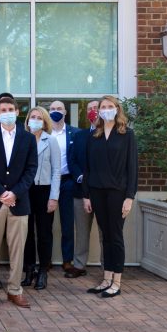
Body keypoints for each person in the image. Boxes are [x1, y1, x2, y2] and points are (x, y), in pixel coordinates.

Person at [0, 96, 37, 309]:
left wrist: (15, 193)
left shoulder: (28, 138)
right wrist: (2, 192)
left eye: (11, 109)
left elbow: (31, 169)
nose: (7, 112)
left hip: (19, 202)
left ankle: (15, 290)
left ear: (17, 112)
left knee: (17, 249)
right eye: (3, 110)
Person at [83, 96, 138, 298]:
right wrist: (86, 195)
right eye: (103, 107)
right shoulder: (94, 135)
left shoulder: (127, 134)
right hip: (97, 191)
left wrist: (129, 197)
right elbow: (87, 167)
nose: (106, 109)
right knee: (105, 236)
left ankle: (117, 282)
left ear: (117, 109)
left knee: (115, 236)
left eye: (110, 106)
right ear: (98, 111)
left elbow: (132, 168)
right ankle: (106, 279)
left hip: (118, 192)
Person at [21, 107, 61, 290]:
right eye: (32, 117)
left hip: (44, 191)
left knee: (44, 233)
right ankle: (29, 270)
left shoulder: (50, 140)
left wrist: (54, 197)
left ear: (44, 122)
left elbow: (56, 170)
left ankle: (43, 271)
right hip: (25, 191)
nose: (35, 120)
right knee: (26, 233)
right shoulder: (23, 139)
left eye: (39, 118)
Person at [66, 100, 100, 278]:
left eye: (96, 108)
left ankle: (108, 267)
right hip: (80, 190)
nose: (93, 111)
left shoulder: (111, 135)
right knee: (81, 231)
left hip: (103, 192)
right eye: (90, 109)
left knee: (105, 232)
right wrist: (80, 177)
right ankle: (79, 265)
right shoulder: (79, 135)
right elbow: (71, 160)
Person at [48, 100, 81, 272]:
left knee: (67, 224)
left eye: (59, 108)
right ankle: (46, 260)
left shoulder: (75, 133)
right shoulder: (44, 133)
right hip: (47, 183)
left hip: (67, 182)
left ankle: (67, 260)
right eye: (52, 109)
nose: (56, 111)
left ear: (65, 112)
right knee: (46, 224)